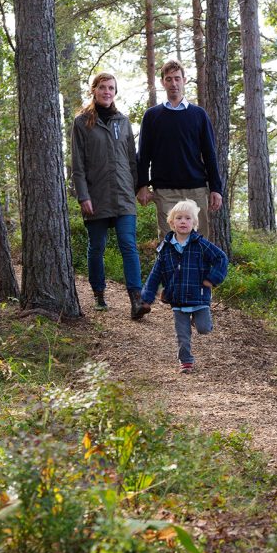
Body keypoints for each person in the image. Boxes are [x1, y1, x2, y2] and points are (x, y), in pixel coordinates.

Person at [71, 72, 150, 320]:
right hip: (96, 196)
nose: (107, 92)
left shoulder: (123, 121)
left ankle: (136, 300)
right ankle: (98, 293)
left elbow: (131, 159)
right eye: (103, 87)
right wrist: (83, 196)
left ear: (115, 92)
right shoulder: (82, 122)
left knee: (129, 246)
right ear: (94, 90)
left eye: (111, 88)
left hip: (124, 195)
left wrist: (138, 187)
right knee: (97, 247)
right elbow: (78, 164)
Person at [136, 60, 223, 238]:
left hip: (196, 190)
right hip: (165, 191)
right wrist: (142, 185)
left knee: (197, 243)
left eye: (177, 78)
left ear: (184, 80)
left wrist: (216, 188)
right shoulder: (152, 116)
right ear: (162, 82)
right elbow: (143, 154)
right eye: (169, 79)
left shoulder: (199, 115)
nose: (173, 83)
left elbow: (209, 154)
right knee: (169, 245)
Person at [140, 199, 228, 372]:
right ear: (172, 223)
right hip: (177, 298)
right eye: (179, 218)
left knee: (204, 328)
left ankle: (198, 319)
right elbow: (155, 273)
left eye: (188, 218)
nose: (183, 221)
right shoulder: (166, 248)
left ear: (194, 223)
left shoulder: (201, 245)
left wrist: (212, 279)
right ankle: (186, 362)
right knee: (182, 335)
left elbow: (221, 258)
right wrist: (146, 297)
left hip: (199, 296)